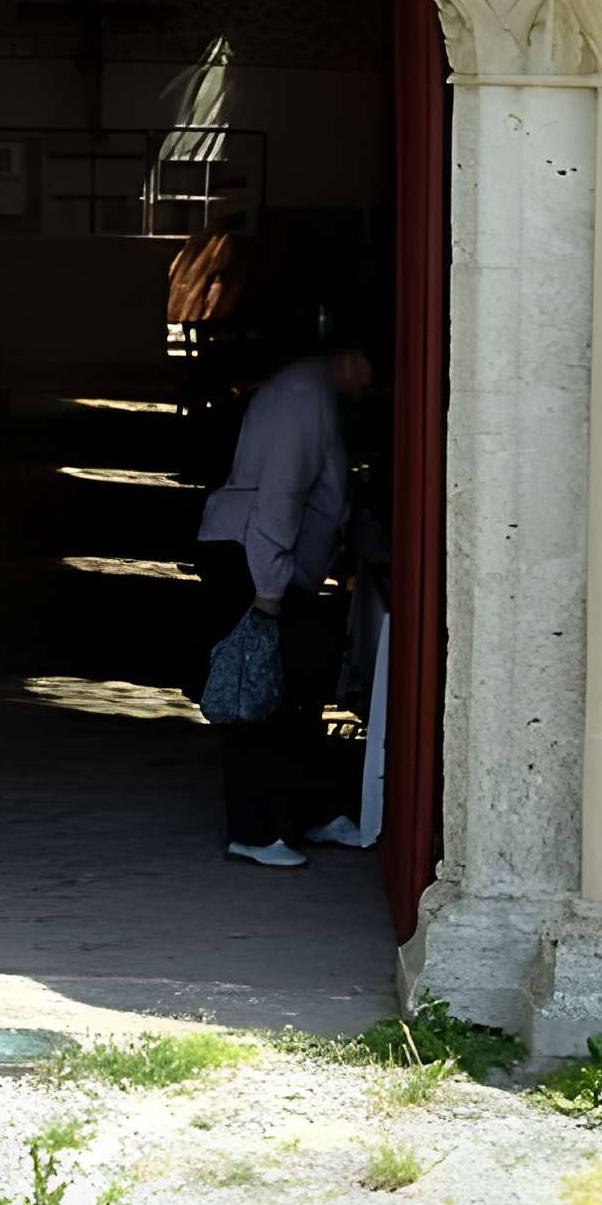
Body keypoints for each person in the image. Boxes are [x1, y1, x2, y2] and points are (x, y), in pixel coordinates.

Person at [196, 338, 373, 866]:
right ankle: (252, 830)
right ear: (350, 356)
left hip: (274, 559)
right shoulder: (303, 395)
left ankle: (307, 814)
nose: (372, 387)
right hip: (254, 558)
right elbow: (281, 493)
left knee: (299, 685)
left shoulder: (315, 392)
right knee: (259, 692)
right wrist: (269, 590)